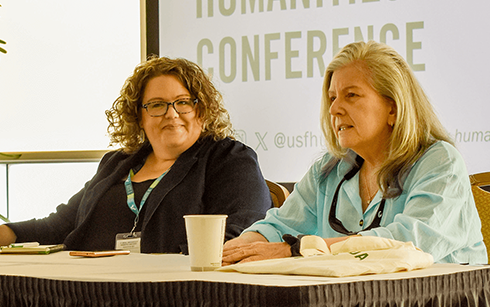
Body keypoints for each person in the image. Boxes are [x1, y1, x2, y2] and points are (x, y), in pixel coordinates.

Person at [223, 40, 487, 265]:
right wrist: (239, 249)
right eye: (332, 97)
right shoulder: (329, 169)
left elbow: (407, 247)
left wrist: (301, 249)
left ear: (393, 108)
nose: (334, 109)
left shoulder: (440, 162)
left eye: (351, 95)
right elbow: (278, 226)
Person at [0, 56, 272, 253]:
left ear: (201, 110)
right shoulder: (116, 164)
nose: (171, 113)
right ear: (139, 117)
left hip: (173, 289)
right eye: (156, 105)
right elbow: (59, 225)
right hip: (89, 286)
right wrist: (7, 233)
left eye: (183, 102)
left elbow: (243, 232)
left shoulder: (230, 159)